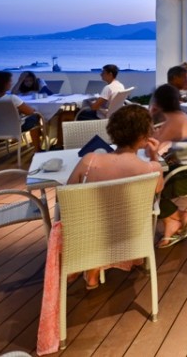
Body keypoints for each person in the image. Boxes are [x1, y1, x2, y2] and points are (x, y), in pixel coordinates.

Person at [66, 104, 164, 283]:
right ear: (143, 137)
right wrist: (154, 156)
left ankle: (87, 264)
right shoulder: (152, 168)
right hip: (129, 235)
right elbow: (158, 191)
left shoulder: (90, 160)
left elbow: (67, 193)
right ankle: (94, 268)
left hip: (88, 235)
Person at [148, 84, 187, 249]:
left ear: (159, 103)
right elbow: (155, 140)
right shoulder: (178, 116)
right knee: (152, 186)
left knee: (148, 191)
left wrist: (151, 116)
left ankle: (177, 217)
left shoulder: (174, 121)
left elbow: (151, 149)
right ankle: (175, 219)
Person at [0, 70, 44, 148]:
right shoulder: (12, 99)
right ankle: (37, 149)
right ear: (5, 84)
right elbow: (30, 112)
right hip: (13, 129)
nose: (11, 83)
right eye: (10, 81)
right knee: (35, 117)